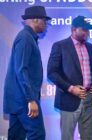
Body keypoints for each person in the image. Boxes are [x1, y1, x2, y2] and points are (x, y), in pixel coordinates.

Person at [47, 15, 92, 140]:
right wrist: (71, 88)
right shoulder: (60, 46)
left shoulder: (91, 48)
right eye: (84, 29)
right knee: (67, 137)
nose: (87, 33)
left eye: (88, 30)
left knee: (88, 137)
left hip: (88, 99)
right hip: (68, 98)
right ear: (73, 29)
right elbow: (52, 73)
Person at [3, 6, 51, 140]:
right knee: (37, 134)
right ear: (35, 20)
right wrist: (30, 99)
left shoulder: (27, 37)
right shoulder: (25, 38)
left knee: (16, 136)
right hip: (23, 100)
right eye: (44, 20)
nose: (46, 24)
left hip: (18, 99)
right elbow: (21, 69)